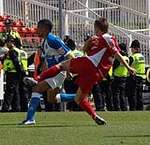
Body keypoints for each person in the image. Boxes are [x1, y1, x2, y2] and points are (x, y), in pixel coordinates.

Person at [36, 17, 136, 125]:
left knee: (61, 65)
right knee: (79, 99)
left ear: (97, 28)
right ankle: (95, 116)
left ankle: (37, 79)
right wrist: (88, 43)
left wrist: (128, 67)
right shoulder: (100, 40)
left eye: (95, 28)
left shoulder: (107, 37)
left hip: (89, 64)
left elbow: (116, 54)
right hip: (96, 74)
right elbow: (87, 51)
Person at [20, 19, 73, 125]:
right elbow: (47, 60)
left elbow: (69, 55)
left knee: (36, 88)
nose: (36, 30)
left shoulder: (52, 39)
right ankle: (79, 96)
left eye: (38, 27)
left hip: (58, 72)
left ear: (44, 28)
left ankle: (30, 118)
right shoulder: (45, 41)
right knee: (52, 99)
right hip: (52, 72)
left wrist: (69, 71)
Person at [1, 36, 24, 112]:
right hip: (15, 73)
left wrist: (19, 72)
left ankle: (5, 108)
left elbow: (16, 62)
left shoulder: (12, 51)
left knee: (9, 91)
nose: (7, 43)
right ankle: (16, 107)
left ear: (12, 43)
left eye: (8, 42)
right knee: (15, 91)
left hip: (12, 73)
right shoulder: (16, 51)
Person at [126, 40, 145, 111]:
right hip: (141, 77)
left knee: (132, 94)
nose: (131, 50)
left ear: (135, 48)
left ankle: (133, 109)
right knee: (139, 94)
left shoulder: (133, 57)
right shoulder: (142, 56)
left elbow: (127, 66)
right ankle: (140, 109)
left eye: (132, 48)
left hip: (134, 77)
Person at [111, 43, 129, 111]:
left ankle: (117, 107)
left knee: (116, 94)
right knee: (122, 94)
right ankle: (124, 107)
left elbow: (114, 66)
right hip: (124, 77)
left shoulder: (119, 58)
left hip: (117, 77)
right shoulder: (127, 58)